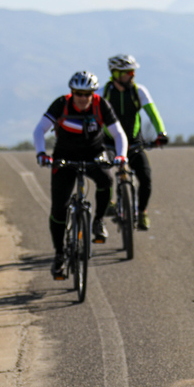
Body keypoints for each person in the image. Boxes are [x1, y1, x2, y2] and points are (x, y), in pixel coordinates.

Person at [33, 71, 128, 279]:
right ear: (72, 92)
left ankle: (98, 221)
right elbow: (39, 130)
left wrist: (121, 156)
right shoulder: (61, 104)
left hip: (94, 155)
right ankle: (59, 255)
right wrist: (42, 154)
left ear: (93, 93)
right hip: (64, 158)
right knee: (58, 210)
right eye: (78, 93)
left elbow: (118, 133)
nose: (83, 98)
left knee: (106, 180)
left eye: (87, 94)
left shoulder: (100, 105)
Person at [102, 54, 168, 230]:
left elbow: (153, 113)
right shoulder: (104, 93)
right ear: (115, 74)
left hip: (133, 142)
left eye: (133, 71)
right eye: (128, 72)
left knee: (145, 178)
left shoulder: (139, 91)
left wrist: (161, 133)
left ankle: (142, 212)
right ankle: (109, 203)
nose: (132, 75)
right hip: (109, 142)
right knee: (105, 175)